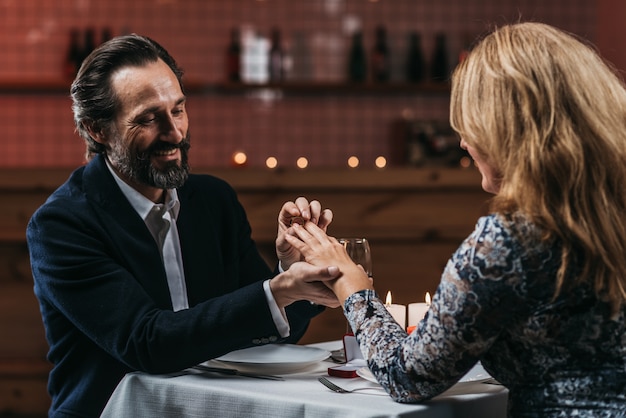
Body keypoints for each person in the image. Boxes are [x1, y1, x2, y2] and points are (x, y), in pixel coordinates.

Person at [285, 22, 626, 417]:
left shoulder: (509, 242)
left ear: (509, 128)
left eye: (470, 121)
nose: (463, 141)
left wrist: (352, 286)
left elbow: (407, 376)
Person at [27, 34, 339, 418]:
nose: (175, 133)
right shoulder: (61, 225)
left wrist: (293, 273)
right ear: (98, 130)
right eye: (148, 118)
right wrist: (275, 292)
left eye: (178, 110)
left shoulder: (214, 200)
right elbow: (147, 343)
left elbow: (268, 327)